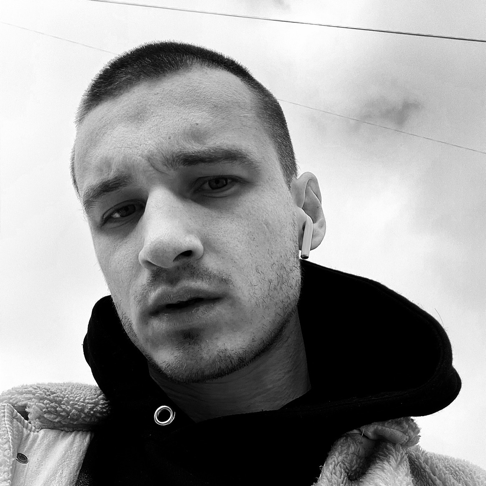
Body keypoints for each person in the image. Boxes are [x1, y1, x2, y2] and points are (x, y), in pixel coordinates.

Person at [1, 41, 485, 486]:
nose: (162, 243)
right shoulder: (21, 459)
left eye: (215, 183)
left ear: (307, 213)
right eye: (121, 211)